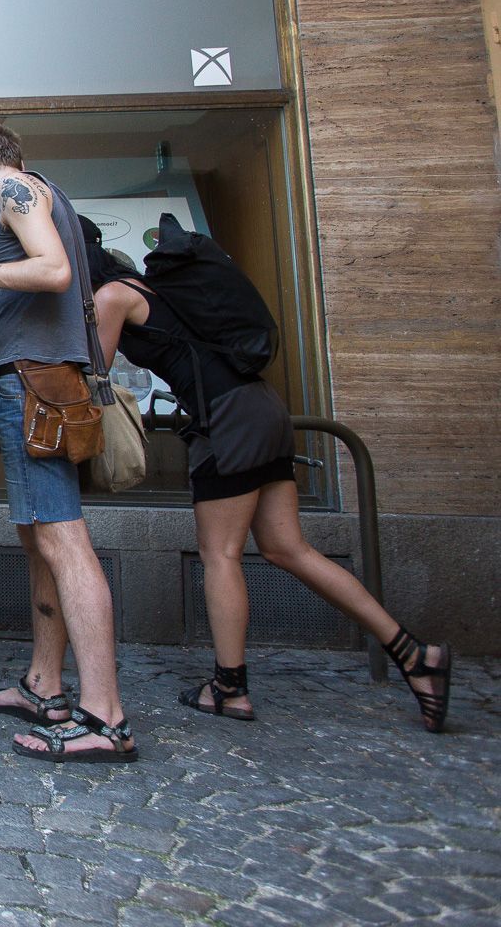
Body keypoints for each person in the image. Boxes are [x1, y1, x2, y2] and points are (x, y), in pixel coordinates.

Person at [86, 219, 451, 732]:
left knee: (221, 553)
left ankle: (230, 689)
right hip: (262, 406)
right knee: (287, 548)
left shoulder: (110, 298)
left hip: (228, 420)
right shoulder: (150, 288)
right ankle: (414, 653)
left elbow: (91, 378)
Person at [0, 122, 138, 763]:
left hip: (37, 384)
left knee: (61, 537)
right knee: (39, 539)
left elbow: (52, 271)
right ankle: (44, 684)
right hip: (32, 379)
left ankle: (104, 716)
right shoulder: (43, 189)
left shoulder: (16, 191)